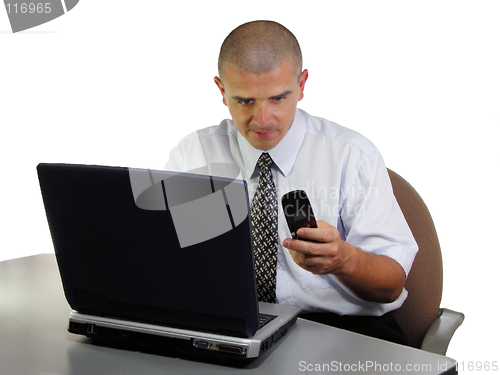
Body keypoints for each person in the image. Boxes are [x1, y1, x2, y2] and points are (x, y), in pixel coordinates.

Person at [165, 20, 418, 345]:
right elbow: (168, 260)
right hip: (228, 328)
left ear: (302, 84)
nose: (262, 120)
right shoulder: (193, 154)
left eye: (278, 98)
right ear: (221, 90)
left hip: (339, 331)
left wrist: (344, 258)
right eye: (244, 101)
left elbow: (392, 284)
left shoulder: (351, 156)